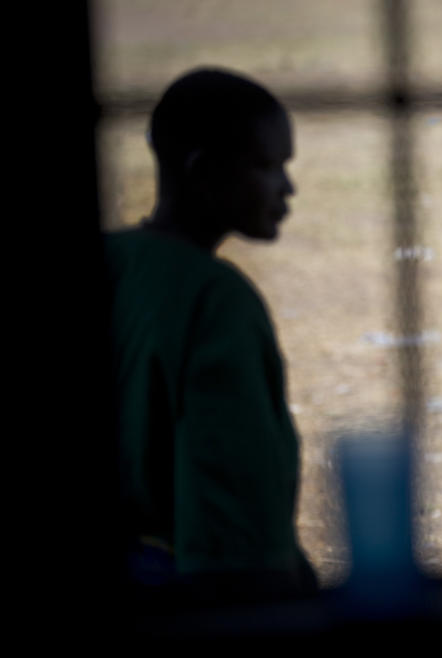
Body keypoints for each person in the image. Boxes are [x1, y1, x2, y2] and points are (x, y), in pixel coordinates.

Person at [103, 67, 317, 605]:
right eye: (268, 167)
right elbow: (235, 512)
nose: (287, 188)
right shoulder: (216, 300)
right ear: (203, 171)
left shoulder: (116, 259)